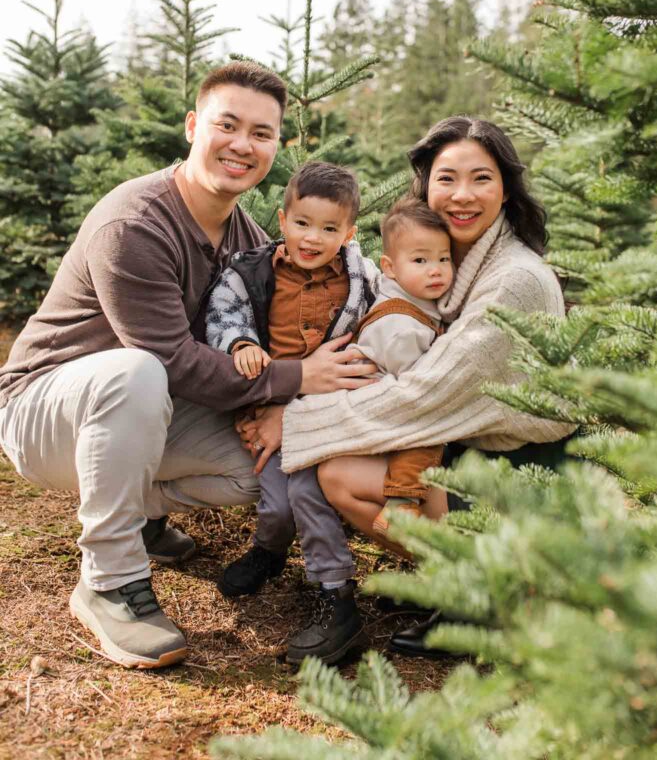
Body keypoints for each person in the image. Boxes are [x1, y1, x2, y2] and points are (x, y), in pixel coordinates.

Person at [0, 61, 375, 670]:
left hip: (143, 411)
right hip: (42, 409)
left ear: (275, 146)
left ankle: (136, 512)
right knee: (136, 372)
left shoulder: (245, 235)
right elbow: (172, 362)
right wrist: (300, 377)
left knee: (264, 468)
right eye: (228, 124)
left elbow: (250, 338)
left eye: (262, 133)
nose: (242, 144)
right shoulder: (136, 223)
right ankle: (109, 579)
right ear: (193, 125)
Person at [237, 116, 572, 655]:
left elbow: (425, 395)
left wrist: (293, 418)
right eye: (447, 179)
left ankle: (496, 595)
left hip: (528, 482)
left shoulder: (515, 279)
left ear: (506, 188)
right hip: (475, 458)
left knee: (341, 474)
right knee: (346, 470)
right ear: (426, 185)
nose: (462, 195)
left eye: (481, 178)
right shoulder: (440, 267)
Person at [205, 160, 378, 665]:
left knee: (308, 492)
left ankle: (335, 590)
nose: (312, 237)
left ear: (349, 233)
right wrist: (239, 343)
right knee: (276, 501)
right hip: (275, 399)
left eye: (329, 229)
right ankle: (270, 550)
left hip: (327, 410)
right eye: (302, 223)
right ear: (282, 221)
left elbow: (382, 327)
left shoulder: (360, 280)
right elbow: (223, 311)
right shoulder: (251, 271)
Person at [351, 196, 453, 535]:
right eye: (420, 260)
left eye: (443, 258)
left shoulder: (418, 299)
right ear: (390, 267)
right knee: (427, 429)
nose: (435, 269)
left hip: (384, 402)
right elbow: (416, 393)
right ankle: (401, 502)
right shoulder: (400, 324)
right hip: (379, 410)